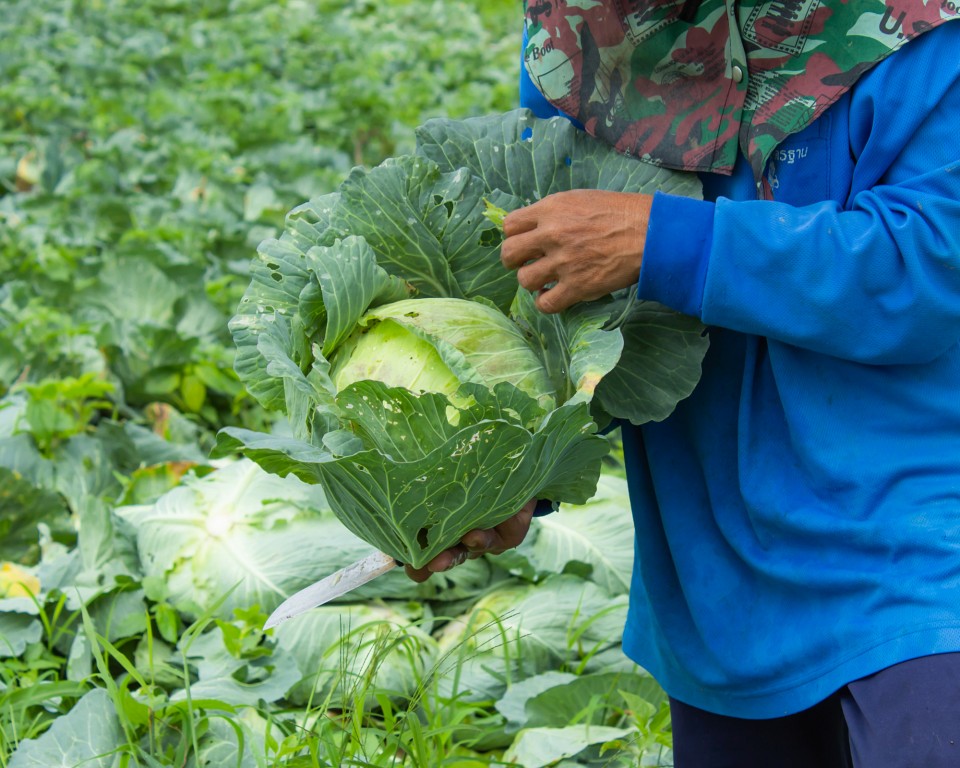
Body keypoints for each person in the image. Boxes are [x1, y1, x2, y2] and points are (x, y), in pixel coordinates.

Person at [408, 3, 960, 765]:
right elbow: (573, 298)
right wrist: (515, 478)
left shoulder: (923, 31)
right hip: (713, 579)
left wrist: (664, 238)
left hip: (921, 558)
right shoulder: (590, 36)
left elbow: (931, 266)